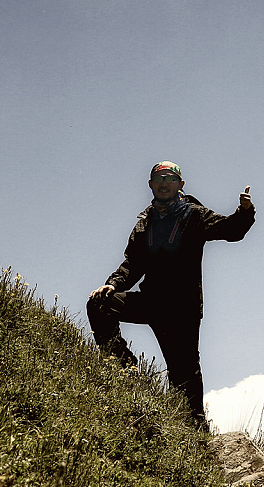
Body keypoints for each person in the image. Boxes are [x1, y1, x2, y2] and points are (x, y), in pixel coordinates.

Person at [87, 161, 255, 429]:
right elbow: (132, 263)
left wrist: (245, 212)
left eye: (170, 178)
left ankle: (196, 431)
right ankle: (126, 370)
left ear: (180, 185)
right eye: (158, 179)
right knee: (99, 304)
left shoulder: (194, 215)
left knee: (184, 374)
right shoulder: (145, 223)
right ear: (151, 185)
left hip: (182, 310)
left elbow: (230, 230)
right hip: (150, 302)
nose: (164, 183)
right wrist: (113, 285)